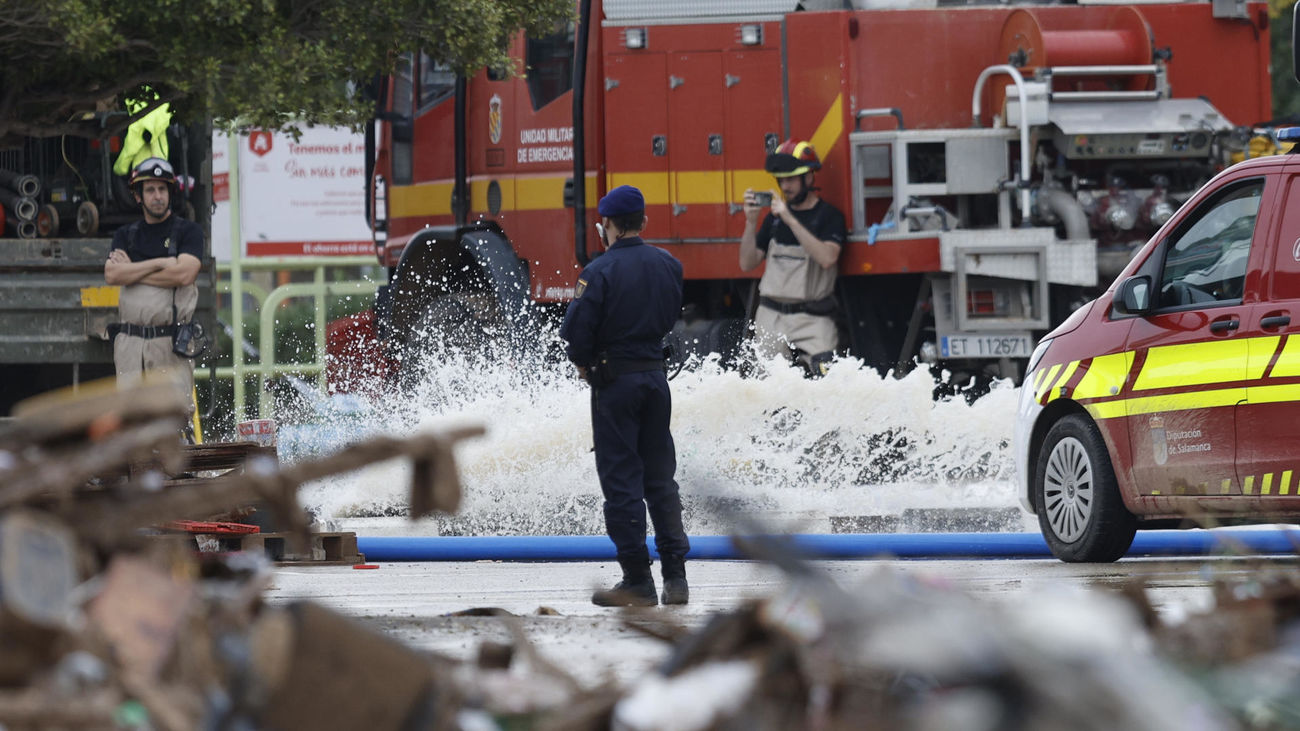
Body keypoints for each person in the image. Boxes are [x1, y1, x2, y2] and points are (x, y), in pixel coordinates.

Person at [559, 185, 691, 607]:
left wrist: (584, 364)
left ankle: (637, 579)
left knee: (622, 483)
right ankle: (676, 577)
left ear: (607, 225)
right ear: (644, 222)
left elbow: (577, 335)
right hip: (656, 378)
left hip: (614, 385)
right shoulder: (669, 264)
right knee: (661, 479)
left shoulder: (598, 272)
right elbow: (672, 315)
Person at [104, 157, 203, 425]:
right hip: (130, 344)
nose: (157, 196)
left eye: (162, 189)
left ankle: (181, 469)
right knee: (131, 423)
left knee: (174, 420)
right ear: (138, 196)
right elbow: (113, 274)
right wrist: (160, 264)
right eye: (150, 190)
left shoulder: (188, 231)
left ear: (171, 192)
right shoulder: (125, 234)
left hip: (169, 342)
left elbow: (185, 273)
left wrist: (133, 272)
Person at [739, 139, 848, 376]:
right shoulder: (773, 220)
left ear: (809, 177)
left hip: (813, 318)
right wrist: (750, 222)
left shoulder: (829, 217)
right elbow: (747, 263)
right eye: (781, 180)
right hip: (771, 317)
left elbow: (827, 258)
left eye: (791, 179)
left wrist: (789, 218)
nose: (785, 186)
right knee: (769, 391)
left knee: (828, 381)